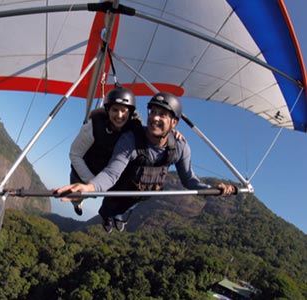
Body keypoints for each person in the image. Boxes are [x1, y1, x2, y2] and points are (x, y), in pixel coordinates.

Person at [55, 92, 236, 232]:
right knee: (110, 207)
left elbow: (189, 180)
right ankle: (107, 217)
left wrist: (213, 191)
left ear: (174, 122)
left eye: (162, 114)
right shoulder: (130, 139)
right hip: (124, 186)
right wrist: (89, 188)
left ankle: (118, 216)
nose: (155, 118)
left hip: (142, 192)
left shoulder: (180, 146)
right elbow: (111, 173)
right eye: (153, 112)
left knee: (127, 206)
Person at [69, 85, 141, 216]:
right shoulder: (94, 125)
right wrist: (92, 184)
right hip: (83, 171)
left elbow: (154, 136)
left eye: (124, 111)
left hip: (107, 174)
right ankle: (77, 204)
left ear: (130, 113)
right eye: (115, 110)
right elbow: (74, 154)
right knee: (77, 195)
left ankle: (114, 215)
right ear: (108, 110)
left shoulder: (134, 131)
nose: (119, 115)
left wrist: (172, 134)